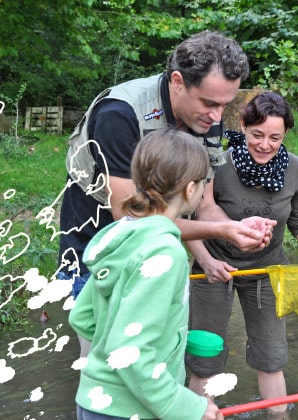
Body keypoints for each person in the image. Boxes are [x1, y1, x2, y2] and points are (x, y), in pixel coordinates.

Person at [184, 91, 298, 417]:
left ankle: (278, 415)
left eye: (275, 137)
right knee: (204, 356)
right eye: (257, 135)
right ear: (242, 126)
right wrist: (208, 261)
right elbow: (189, 219)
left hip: (268, 272)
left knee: (272, 355)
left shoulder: (294, 169)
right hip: (213, 269)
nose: (265, 145)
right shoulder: (218, 164)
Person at [57, 30, 273, 302]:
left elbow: (202, 204)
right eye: (209, 103)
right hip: (95, 254)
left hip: (156, 254)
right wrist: (222, 231)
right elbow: (132, 221)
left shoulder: (208, 118)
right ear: (178, 81)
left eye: (225, 105)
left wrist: (237, 227)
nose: (217, 117)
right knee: (104, 343)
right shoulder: (119, 115)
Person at [69, 128, 223, 420]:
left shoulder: (120, 234)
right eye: (204, 182)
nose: (204, 190)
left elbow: (83, 318)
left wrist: (173, 338)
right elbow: (130, 352)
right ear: (191, 189)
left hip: (94, 402)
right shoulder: (165, 252)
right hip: (129, 409)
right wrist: (188, 407)